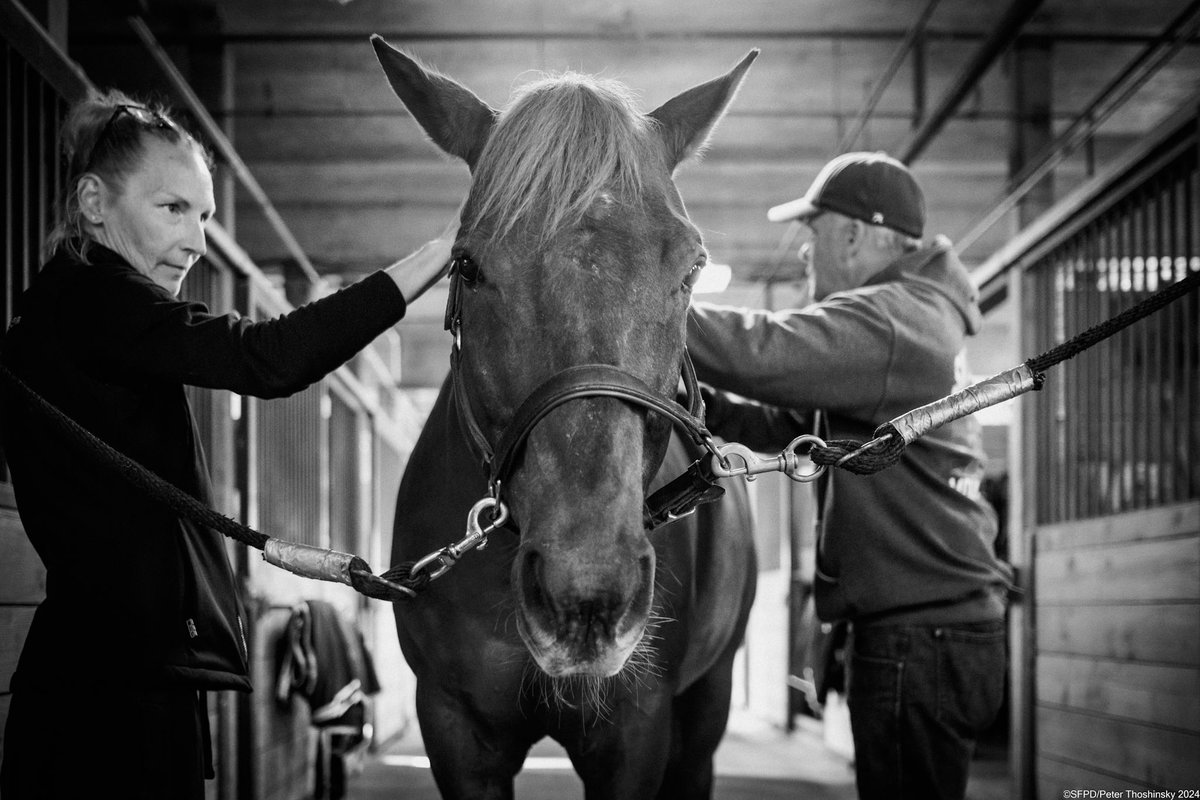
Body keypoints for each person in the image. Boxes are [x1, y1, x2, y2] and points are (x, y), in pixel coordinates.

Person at [0, 90, 456, 800]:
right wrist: (437, 255)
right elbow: (266, 359)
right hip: (116, 698)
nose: (198, 241)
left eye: (205, 215)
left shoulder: (62, 311)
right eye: (172, 208)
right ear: (94, 201)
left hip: (94, 670)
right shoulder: (99, 304)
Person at [687, 151, 1013, 800]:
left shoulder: (894, 318)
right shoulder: (915, 317)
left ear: (856, 234)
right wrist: (701, 404)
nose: (805, 254)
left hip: (920, 638)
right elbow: (788, 421)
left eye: (814, 233)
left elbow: (765, 351)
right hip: (935, 631)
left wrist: (641, 308)